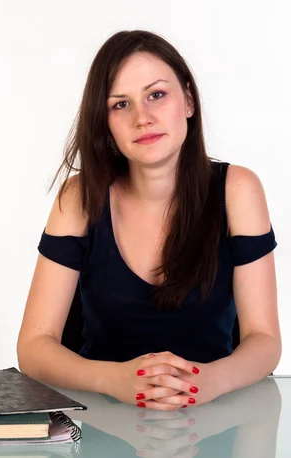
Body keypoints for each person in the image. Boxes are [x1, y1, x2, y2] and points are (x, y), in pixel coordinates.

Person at [17, 30, 280, 410]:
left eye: (157, 95)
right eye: (120, 104)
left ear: (188, 100)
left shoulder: (238, 189)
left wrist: (207, 382)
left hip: (214, 413)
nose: (143, 118)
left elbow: (265, 339)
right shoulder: (79, 197)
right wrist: (118, 380)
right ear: (104, 122)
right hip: (103, 416)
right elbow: (33, 348)